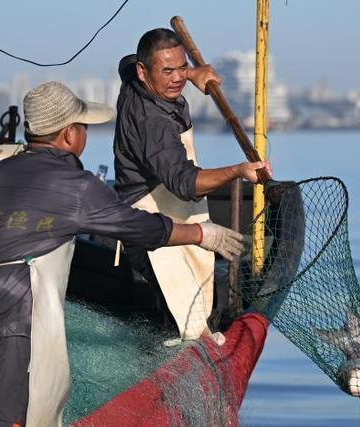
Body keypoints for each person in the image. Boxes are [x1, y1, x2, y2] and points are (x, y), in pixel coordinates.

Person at [0, 81, 244, 427]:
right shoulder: (74, 185)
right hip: (19, 323)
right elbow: (136, 226)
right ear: (68, 134)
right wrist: (200, 234)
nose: (86, 135)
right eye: (83, 127)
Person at [113, 28, 272, 344]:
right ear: (144, 73)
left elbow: (125, 62)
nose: (175, 79)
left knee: (203, 287)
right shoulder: (151, 122)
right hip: (148, 218)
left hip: (176, 207)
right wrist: (238, 170)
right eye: (167, 71)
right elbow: (186, 183)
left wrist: (193, 74)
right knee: (186, 316)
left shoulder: (134, 76)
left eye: (180, 68)